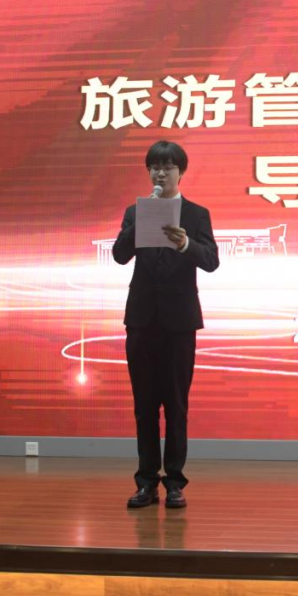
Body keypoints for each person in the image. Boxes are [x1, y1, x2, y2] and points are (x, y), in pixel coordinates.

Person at [113, 140, 219, 509]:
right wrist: (140, 222)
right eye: (155, 167)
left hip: (179, 322)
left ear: (180, 172)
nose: (161, 173)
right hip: (142, 320)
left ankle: (175, 482)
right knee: (144, 406)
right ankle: (146, 483)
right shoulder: (135, 211)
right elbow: (119, 255)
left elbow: (211, 261)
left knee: (176, 404)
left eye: (168, 167)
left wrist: (186, 244)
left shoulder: (196, 214)